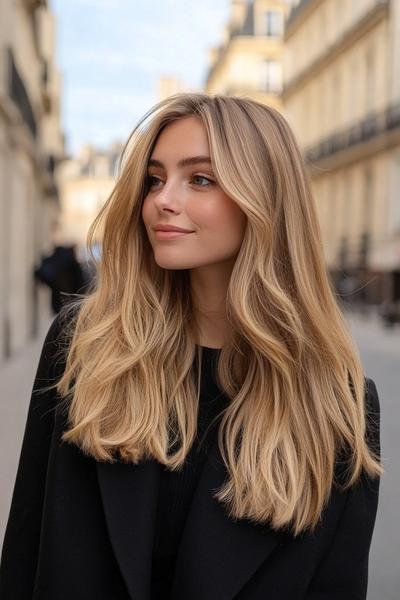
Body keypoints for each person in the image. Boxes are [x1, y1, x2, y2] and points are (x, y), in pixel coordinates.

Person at [0, 94, 382, 600]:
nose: (162, 199)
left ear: (264, 200)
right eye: (155, 179)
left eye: (200, 178)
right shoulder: (84, 347)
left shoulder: (336, 405)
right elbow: (23, 556)